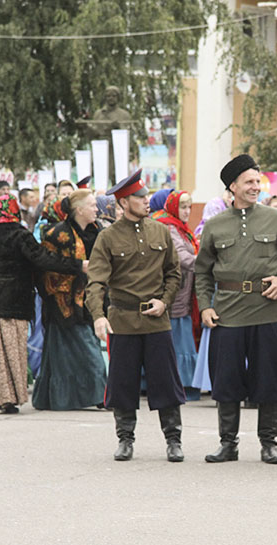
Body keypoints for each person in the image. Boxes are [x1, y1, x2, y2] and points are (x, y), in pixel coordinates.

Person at [195, 154, 277, 465]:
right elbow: (202, 272)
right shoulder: (215, 226)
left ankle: (269, 444)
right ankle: (228, 444)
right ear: (232, 186)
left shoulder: (276, 219)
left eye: (257, 181)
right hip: (227, 314)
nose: (255, 186)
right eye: (248, 182)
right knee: (227, 381)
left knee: (269, 379)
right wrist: (205, 306)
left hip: (265, 313)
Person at [85, 169, 186, 462]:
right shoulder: (108, 237)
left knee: (166, 382)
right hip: (123, 321)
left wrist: (165, 302)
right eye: (139, 197)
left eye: (145, 195)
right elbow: (96, 282)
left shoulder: (160, 231)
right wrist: (97, 316)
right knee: (123, 384)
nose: (146, 200)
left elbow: (173, 273)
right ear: (124, 203)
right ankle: (125, 439)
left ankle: (173, 440)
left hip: (157, 320)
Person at [0, 195, 86, 414]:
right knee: (10, 351)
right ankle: (7, 398)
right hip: (12, 301)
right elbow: (43, 259)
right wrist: (78, 265)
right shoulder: (19, 235)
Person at [32, 190, 108, 410]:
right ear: (79, 210)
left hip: (89, 299)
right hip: (62, 301)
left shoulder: (97, 232)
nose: (97, 209)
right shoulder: (57, 233)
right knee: (87, 350)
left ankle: (51, 398)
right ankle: (103, 395)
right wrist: (78, 266)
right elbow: (44, 264)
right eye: (92, 205)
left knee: (60, 354)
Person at [155, 190, 201, 400]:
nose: (186, 211)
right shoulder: (169, 227)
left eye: (189, 207)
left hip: (183, 291)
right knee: (178, 339)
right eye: (182, 207)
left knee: (180, 337)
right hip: (175, 291)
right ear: (173, 207)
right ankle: (179, 384)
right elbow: (182, 257)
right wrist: (209, 263)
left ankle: (181, 384)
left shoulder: (181, 229)